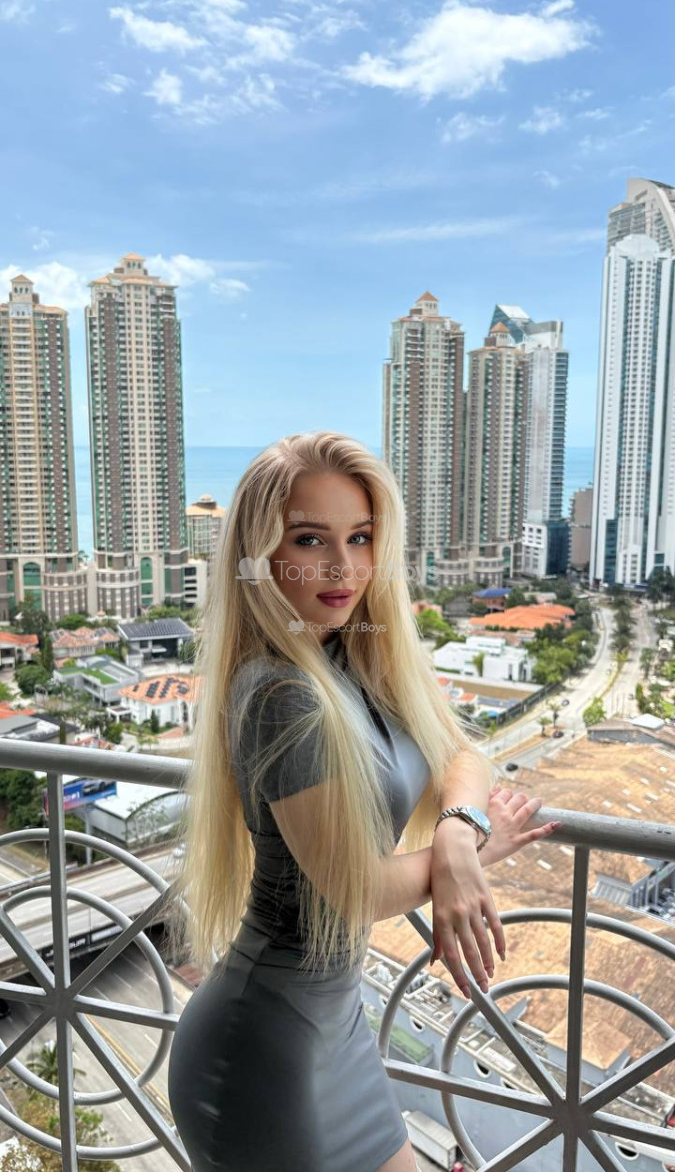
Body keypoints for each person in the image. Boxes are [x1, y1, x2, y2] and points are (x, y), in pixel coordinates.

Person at [167, 431, 560, 1172]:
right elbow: (355, 892)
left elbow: (462, 755)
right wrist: (480, 847)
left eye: (361, 537)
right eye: (310, 539)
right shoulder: (280, 692)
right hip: (262, 1052)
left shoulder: (348, 654)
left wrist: (458, 833)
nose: (343, 567)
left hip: (338, 1029)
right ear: (258, 555)